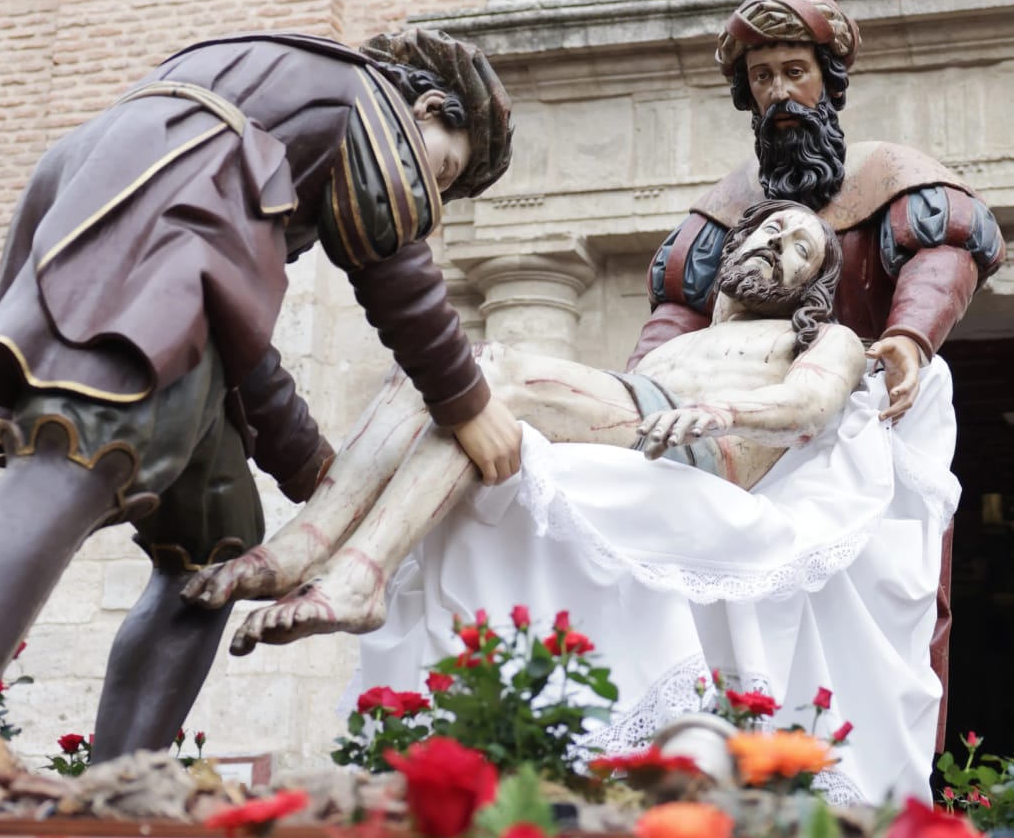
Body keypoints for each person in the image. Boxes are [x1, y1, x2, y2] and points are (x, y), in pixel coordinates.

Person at [0, 28, 519, 757]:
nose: (421, 195)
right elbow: (393, 268)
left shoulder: (253, 135)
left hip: (134, 216)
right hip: (148, 228)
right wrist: (470, 403)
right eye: (437, 171)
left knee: (213, 544)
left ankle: (123, 789)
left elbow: (232, 334)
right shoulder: (360, 94)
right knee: (66, 469)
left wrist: (312, 466)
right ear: (429, 106)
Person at [187, 200, 865, 654]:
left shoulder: (825, 338)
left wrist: (726, 411)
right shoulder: (674, 344)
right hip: (645, 418)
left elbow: (810, 404)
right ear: (739, 238)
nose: (779, 247)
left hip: (699, 455)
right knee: (442, 394)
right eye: (772, 231)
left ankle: (330, 564)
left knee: (479, 369)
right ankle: (332, 560)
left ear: (814, 281)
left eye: (801, 248)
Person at [629, 0, 1004, 744]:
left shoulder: (890, 174)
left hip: (858, 422)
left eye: (793, 71)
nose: (779, 92)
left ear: (828, 78)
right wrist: (633, 396)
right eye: (762, 78)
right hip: (743, 433)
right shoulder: (724, 207)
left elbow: (944, 251)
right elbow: (675, 315)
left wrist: (909, 336)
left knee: (873, 617)